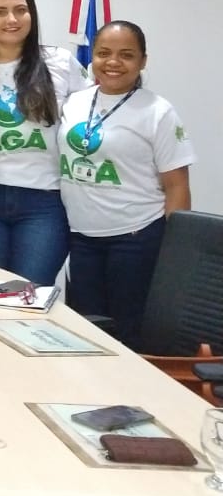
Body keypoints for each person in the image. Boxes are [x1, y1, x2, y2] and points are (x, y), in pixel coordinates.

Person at [58, 20, 194, 349]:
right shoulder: (75, 101)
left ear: (143, 61)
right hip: (81, 238)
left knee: (129, 336)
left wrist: (172, 254)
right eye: (104, 53)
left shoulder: (157, 112)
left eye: (126, 55)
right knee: (83, 334)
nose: (113, 62)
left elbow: (177, 187)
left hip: (135, 239)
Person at [0, 0, 88, 286]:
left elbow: (93, 114)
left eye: (20, 10)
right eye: (0, 11)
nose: (12, 19)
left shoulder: (59, 62)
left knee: (30, 294)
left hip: (45, 202)